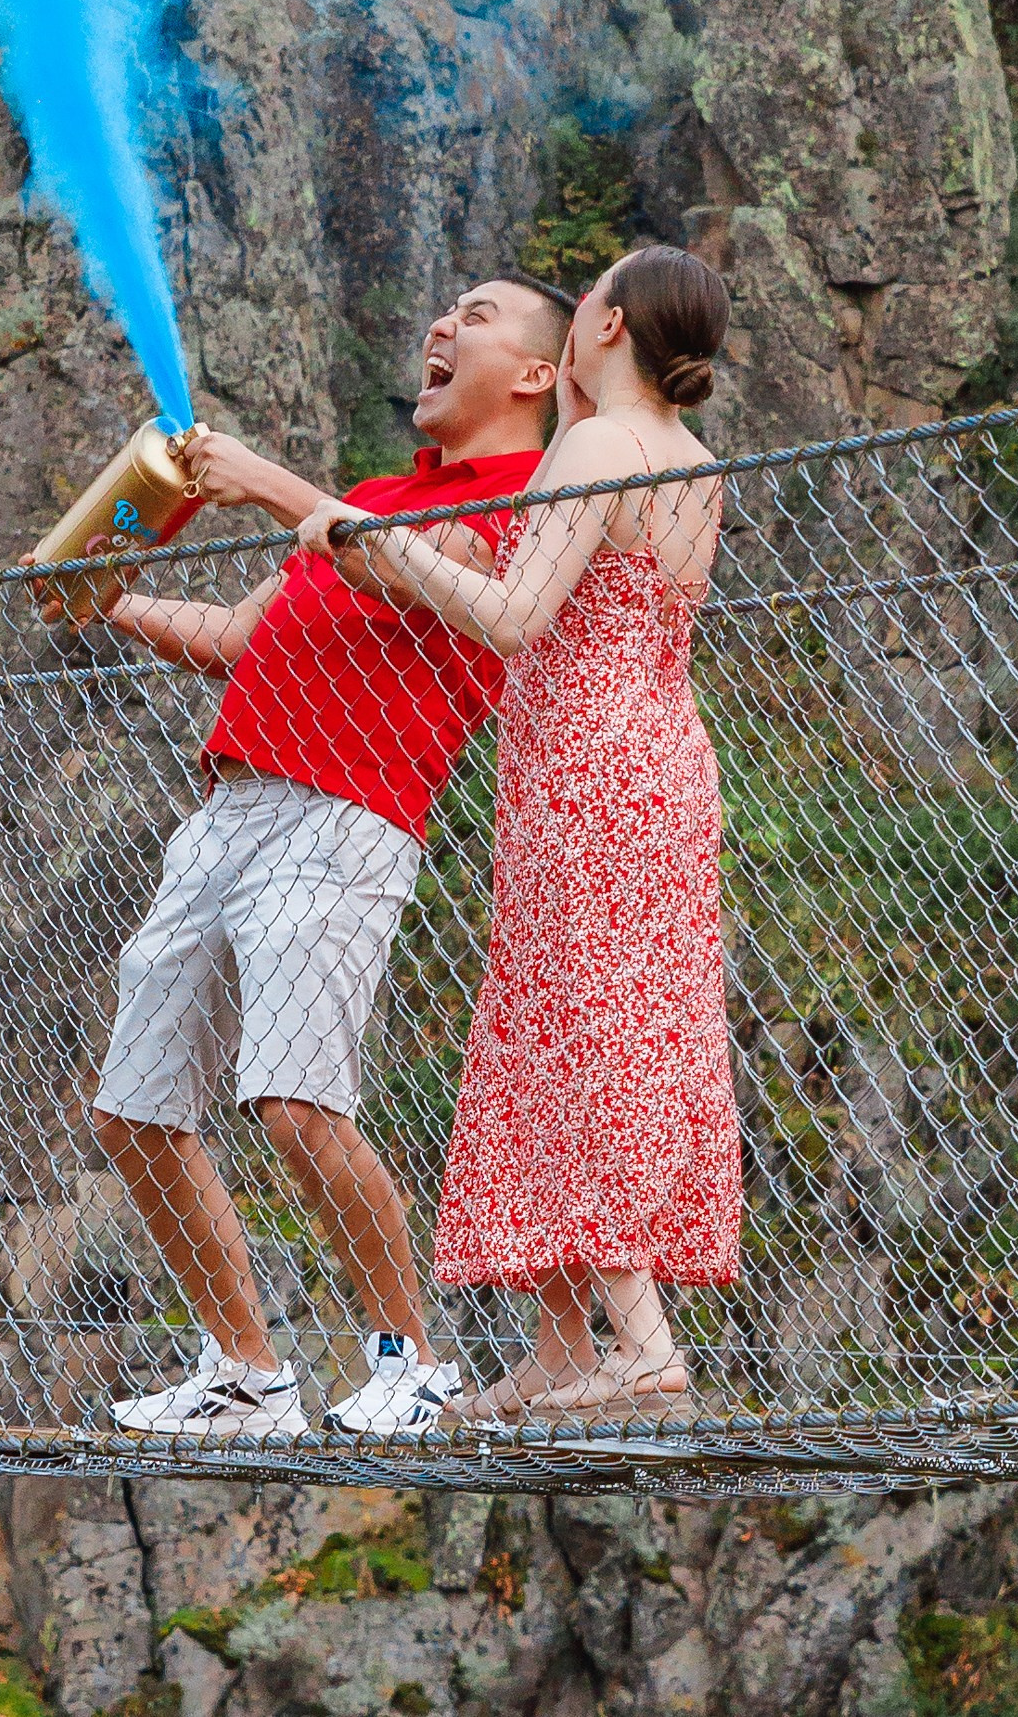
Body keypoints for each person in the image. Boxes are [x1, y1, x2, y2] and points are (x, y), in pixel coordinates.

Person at [34, 276, 575, 1444]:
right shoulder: (369, 497)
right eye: (442, 312)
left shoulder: (531, 492)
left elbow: (400, 569)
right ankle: (243, 1371)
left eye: (474, 316)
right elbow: (235, 637)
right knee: (132, 1109)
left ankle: (409, 1359)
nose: (438, 325)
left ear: (536, 373)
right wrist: (105, 597)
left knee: (294, 1103)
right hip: (225, 807)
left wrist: (271, 482)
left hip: (346, 816)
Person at [312, 244, 741, 1423]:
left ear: (604, 325)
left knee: (577, 1028)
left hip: (583, 770)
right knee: (580, 1022)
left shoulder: (594, 445)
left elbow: (508, 617)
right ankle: (560, 1347)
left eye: (592, 291)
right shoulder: (692, 458)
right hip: (662, 759)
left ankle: (641, 1344)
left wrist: (365, 537)